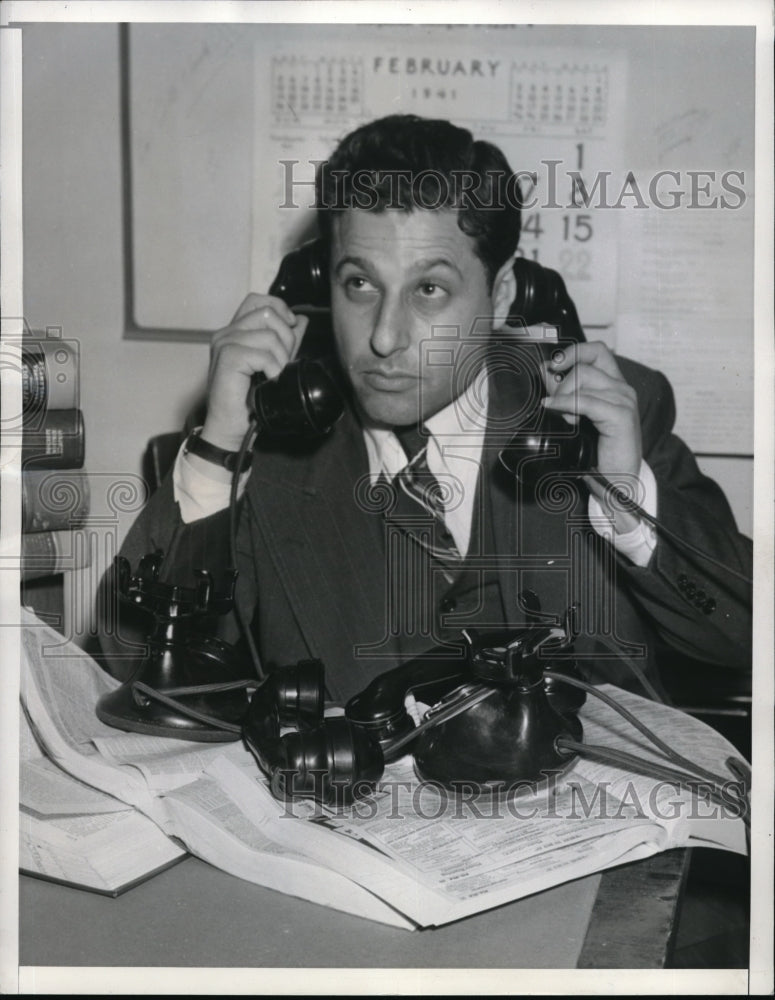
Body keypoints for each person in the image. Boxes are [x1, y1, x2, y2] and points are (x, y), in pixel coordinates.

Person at [99, 114, 752, 707]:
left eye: (429, 289)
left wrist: (624, 504)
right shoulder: (268, 449)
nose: (384, 336)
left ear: (498, 296)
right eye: (359, 284)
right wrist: (217, 446)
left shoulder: (599, 421)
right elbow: (132, 662)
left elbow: (745, 637)